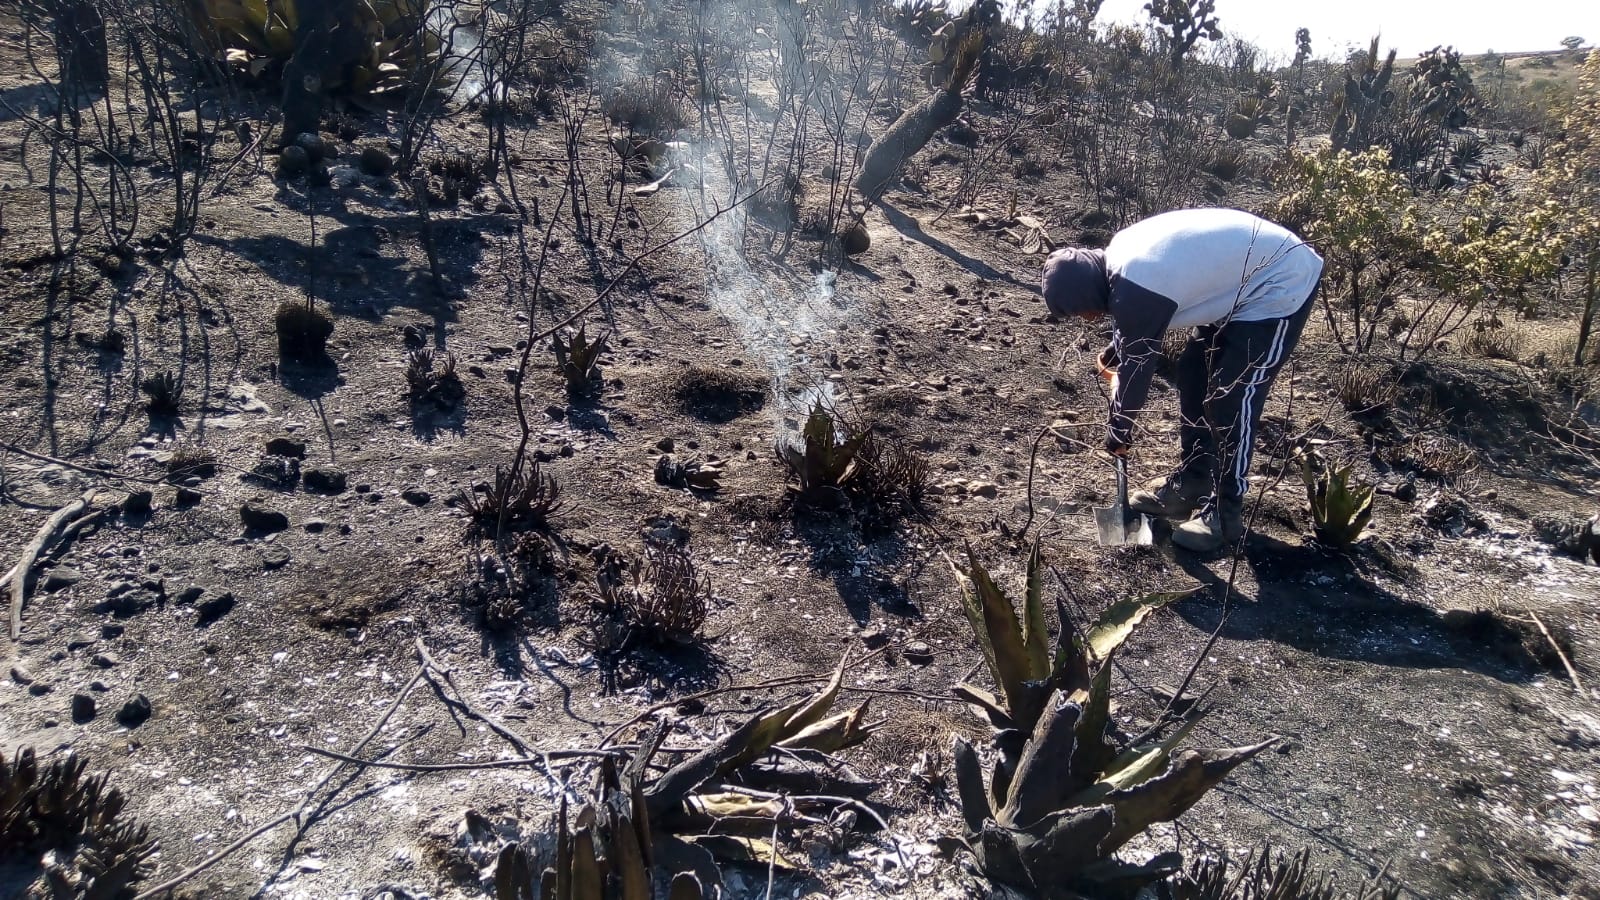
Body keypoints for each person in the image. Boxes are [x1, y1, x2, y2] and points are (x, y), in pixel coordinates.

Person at [1040, 208, 1324, 551]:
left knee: (1232, 395)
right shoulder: (1117, 264)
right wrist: (1117, 351)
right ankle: (1194, 481)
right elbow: (1135, 325)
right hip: (1235, 287)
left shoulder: (1134, 284)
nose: (1086, 317)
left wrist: (1118, 432)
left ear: (1087, 291)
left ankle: (1224, 512)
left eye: (1080, 309)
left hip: (1278, 284)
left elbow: (1137, 367)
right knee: (1192, 371)